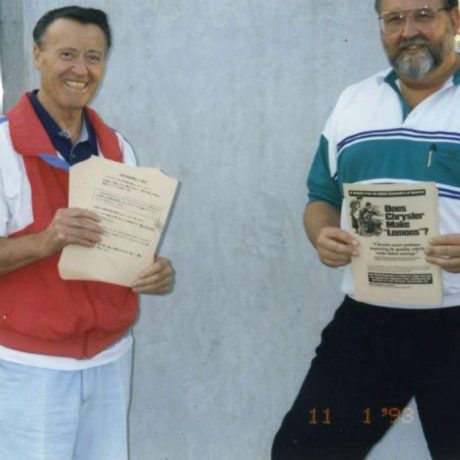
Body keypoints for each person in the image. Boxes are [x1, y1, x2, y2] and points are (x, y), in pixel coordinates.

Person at [272, 0, 460, 459]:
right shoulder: (354, 101)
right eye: (394, 19)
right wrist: (322, 234)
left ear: (455, 18)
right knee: (302, 451)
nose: (408, 30)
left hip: (457, 319)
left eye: (423, 15)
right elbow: (322, 198)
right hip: (369, 323)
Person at [0, 6, 174, 460]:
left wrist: (155, 271)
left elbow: (133, 250)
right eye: (67, 54)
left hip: (111, 359)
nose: (81, 69)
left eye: (94, 57)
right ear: (37, 56)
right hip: (27, 367)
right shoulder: (1, 148)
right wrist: (46, 240)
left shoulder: (118, 147)